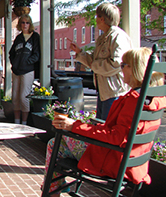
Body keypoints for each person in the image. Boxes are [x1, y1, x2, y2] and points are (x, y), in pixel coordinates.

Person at [42, 47, 166, 196]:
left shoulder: (134, 101)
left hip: (113, 161)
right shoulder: (154, 100)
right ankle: (55, 188)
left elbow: (116, 136)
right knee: (57, 142)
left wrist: (73, 126)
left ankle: (52, 190)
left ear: (135, 69)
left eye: (123, 65)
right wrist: (83, 125)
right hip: (134, 163)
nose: (121, 70)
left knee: (56, 142)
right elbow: (122, 133)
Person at [70, 3, 133, 120]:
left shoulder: (118, 37)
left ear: (102, 19)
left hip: (114, 93)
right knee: (100, 125)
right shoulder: (103, 38)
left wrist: (94, 66)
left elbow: (116, 64)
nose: (95, 20)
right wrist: (79, 52)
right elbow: (93, 61)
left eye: (97, 17)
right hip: (104, 92)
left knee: (107, 129)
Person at [9, 14, 40, 125]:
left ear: (30, 24)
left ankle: (24, 122)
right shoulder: (19, 38)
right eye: (22, 22)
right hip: (16, 71)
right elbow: (11, 53)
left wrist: (26, 63)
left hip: (28, 71)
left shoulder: (35, 37)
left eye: (27, 22)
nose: (25, 25)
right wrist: (15, 63)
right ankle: (17, 122)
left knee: (24, 97)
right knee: (15, 97)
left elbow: (36, 55)